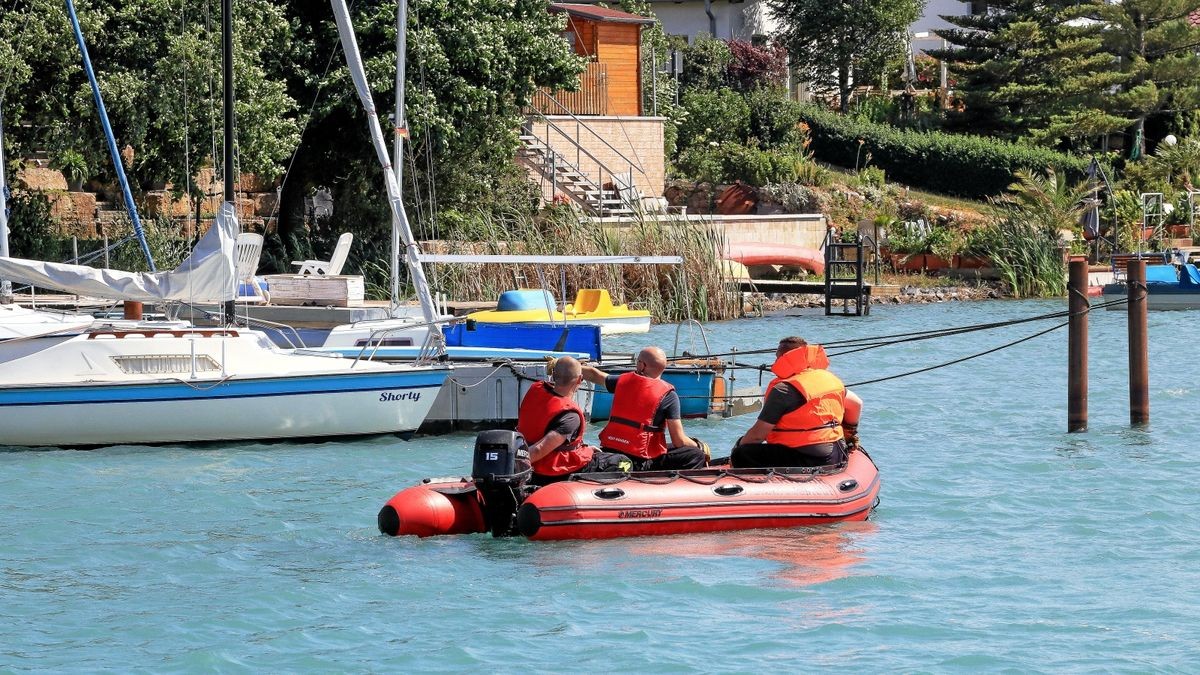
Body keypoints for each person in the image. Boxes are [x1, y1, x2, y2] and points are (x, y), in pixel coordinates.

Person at [731, 336, 862, 468]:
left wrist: (738, 446)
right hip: (836, 452)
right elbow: (856, 403)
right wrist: (849, 433)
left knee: (742, 453)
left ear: (784, 358)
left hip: (806, 456)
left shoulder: (783, 389)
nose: (775, 362)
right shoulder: (829, 379)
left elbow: (757, 436)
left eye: (777, 357)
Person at [581, 347, 709, 471]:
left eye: (637, 361)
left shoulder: (622, 381)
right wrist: (699, 445)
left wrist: (564, 364)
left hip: (611, 450)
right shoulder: (669, 395)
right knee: (696, 454)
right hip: (641, 460)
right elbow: (679, 441)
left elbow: (594, 375)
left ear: (642, 366)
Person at [517, 356, 631, 485]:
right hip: (552, 472)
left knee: (595, 453)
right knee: (623, 462)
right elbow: (539, 449)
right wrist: (516, 468)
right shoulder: (570, 416)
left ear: (553, 375)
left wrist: (586, 449)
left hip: (535, 462)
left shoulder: (535, 390)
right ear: (580, 380)